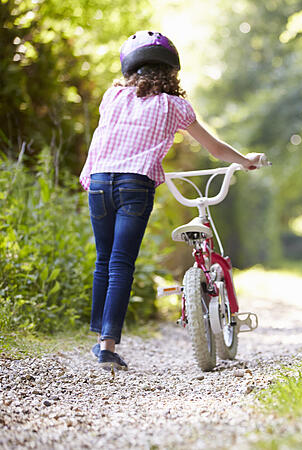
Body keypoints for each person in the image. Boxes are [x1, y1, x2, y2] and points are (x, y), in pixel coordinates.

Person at [79, 31, 262, 371]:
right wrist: (245, 161)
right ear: (171, 71)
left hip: (100, 181)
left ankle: (101, 340)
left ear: (130, 68)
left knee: (103, 261)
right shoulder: (175, 105)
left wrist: (89, 175)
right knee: (121, 263)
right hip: (135, 183)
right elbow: (216, 148)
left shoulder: (112, 96)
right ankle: (107, 346)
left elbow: (102, 137)